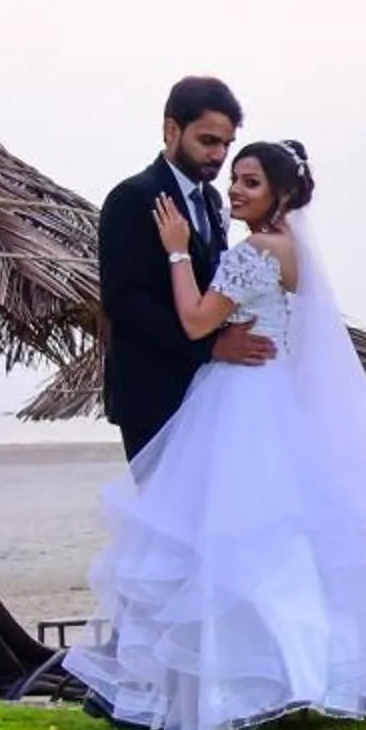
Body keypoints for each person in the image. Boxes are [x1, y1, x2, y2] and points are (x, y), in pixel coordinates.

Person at [65, 139, 366, 730]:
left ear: (281, 193)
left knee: (225, 543)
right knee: (284, 545)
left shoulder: (254, 252)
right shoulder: (293, 251)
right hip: (277, 400)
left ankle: (231, 691)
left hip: (239, 400)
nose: (235, 190)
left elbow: (195, 321)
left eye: (250, 182)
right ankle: (301, 677)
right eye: (235, 178)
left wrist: (177, 251)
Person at [98, 76, 276, 462]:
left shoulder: (211, 199)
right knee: (165, 503)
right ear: (171, 130)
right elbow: (124, 302)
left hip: (209, 393)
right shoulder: (132, 197)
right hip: (153, 392)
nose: (218, 155)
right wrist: (211, 347)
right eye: (208, 141)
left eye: (226, 144)